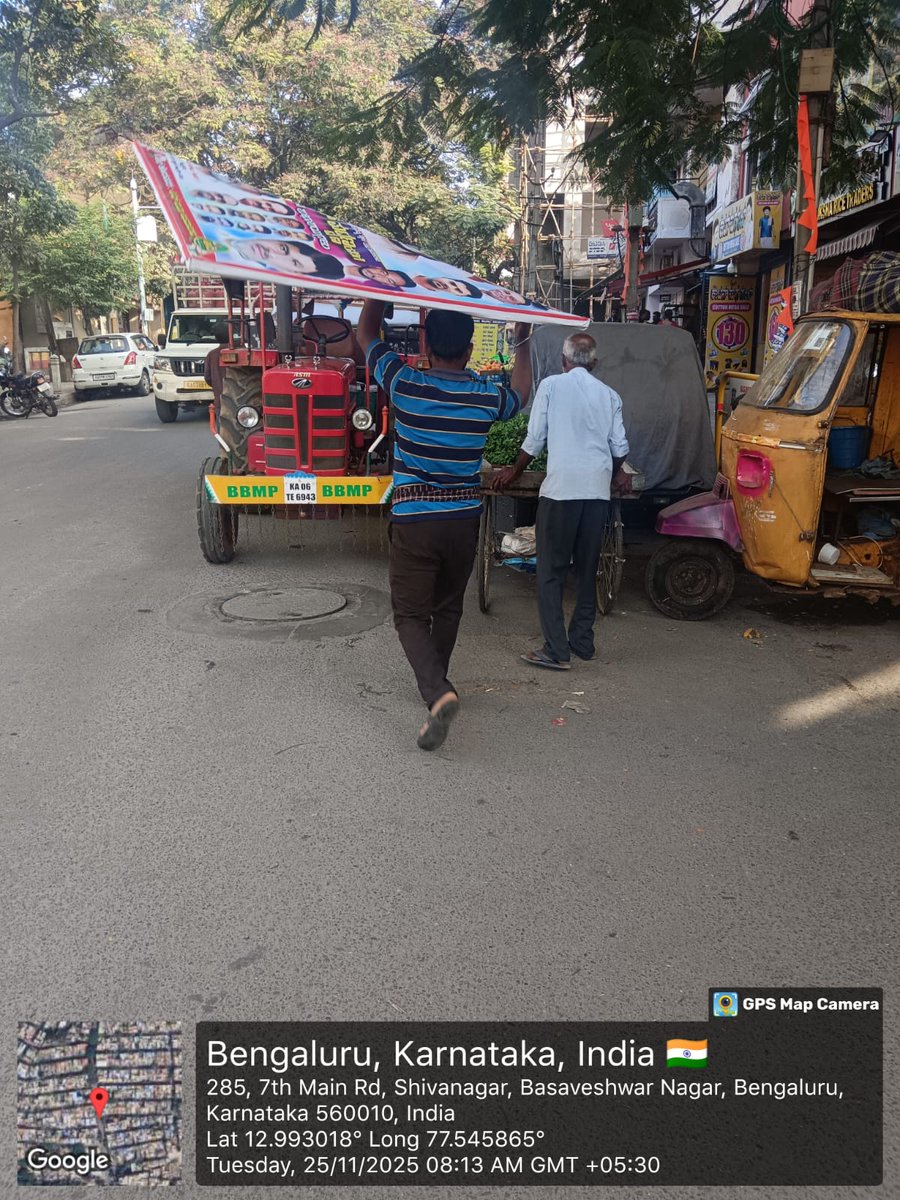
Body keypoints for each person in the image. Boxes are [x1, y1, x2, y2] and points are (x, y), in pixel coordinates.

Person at [357, 299, 533, 751]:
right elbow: (522, 392)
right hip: (463, 521)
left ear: (424, 343)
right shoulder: (485, 397)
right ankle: (438, 685)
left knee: (411, 614)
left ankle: (437, 693)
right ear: (471, 349)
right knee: (448, 608)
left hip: (416, 520)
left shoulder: (404, 383)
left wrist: (377, 293)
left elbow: (366, 336)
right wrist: (523, 337)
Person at [493, 332, 630, 670]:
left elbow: (535, 438)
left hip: (560, 493)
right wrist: (612, 474)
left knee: (551, 572)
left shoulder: (552, 386)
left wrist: (514, 469)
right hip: (595, 496)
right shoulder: (610, 395)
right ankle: (582, 642)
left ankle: (556, 650)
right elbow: (619, 447)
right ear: (594, 364)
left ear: (563, 361)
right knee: (586, 572)